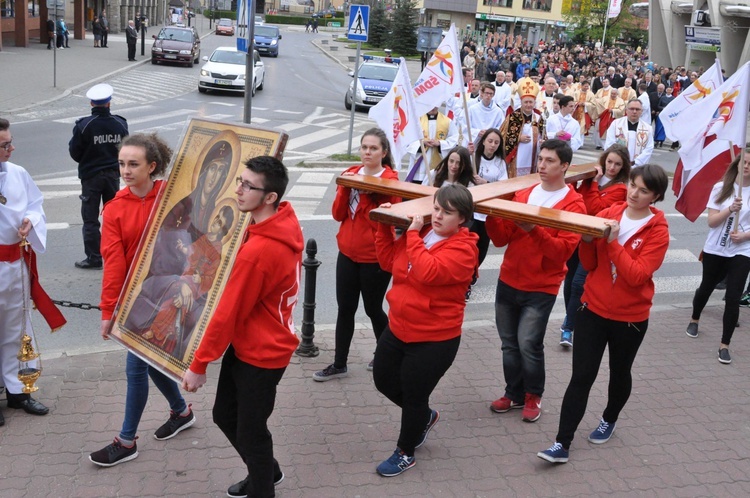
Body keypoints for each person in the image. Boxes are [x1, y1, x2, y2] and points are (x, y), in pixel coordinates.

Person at [182, 156, 303, 498]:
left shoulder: (260, 251)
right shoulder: (281, 222)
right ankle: (266, 469)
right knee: (224, 415)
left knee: (251, 432)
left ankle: (263, 486)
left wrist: (199, 364)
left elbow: (227, 313)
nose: (238, 189)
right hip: (250, 342)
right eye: (240, 180)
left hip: (263, 352)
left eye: (248, 186)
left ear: (269, 198)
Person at [538, 164, 669, 464]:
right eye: (633, 185)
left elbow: (637, 276)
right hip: (592, 310)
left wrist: (612, 243)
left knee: (619, 373)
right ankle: (562, 443)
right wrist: (586, 241)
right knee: (581, 376)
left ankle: (610, 418)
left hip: (630, 319)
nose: (634, 193)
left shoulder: (658, 230)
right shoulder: (608, 214)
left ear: (656, 196)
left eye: (644, 190)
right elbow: (590, 264)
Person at [89, 133, 195, 467]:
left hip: (175, 293)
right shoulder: (115, 209)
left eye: (133, 164)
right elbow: (113, 263)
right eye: (122, 163)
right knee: (146, 361)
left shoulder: (173, 197)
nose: (125, 170)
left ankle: (126, 440)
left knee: (137, 365)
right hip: (139, 300)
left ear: (152, 166)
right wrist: (109, 311)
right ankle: (181, 411)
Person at [372, 185, 479, 477]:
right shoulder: (421, 236)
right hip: (399, 327)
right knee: (382, 380)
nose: (439, 215)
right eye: (436, 209)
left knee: (413, 394)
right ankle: (423, 417)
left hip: (435, 338)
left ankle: (405, 452)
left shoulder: (465, 249)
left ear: (463, 219)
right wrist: (383, 227)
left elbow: (427, 271)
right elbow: (387, 263)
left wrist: (410, 235)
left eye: (447, 212)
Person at [486, 139, 585, 423]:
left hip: (541, 286)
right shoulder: (524, 192)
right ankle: (513, 393)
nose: (541, 165)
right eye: (540, 159)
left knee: (528, 342)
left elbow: (561, 253)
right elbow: (501, 238)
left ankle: (533, 395)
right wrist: (491, 214)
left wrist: (533, 229)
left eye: (549, 161)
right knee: (509, 343)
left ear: (564, 166)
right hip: (509, 279)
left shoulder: (573, 205)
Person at [313, 129, 399, 381]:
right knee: (345, 309)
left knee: (373, 309)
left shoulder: (391, 181)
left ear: (383, 153)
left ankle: (386, 355)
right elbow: (338, 215)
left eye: (373, 148)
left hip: (375, 258)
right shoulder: (351, 174)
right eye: (364, 147)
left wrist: (366, 198)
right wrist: (346, 188)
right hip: (347, 254)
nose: (367, 152)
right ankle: (339, 363)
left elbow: (384, 225)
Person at [0, 118, 65, 426]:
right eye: (5, 145)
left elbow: (35, 204)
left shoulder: (18, 173)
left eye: (10, 141)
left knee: (17, 329)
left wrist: (30, 221)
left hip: (16, 266)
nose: (12, 148)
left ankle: (18, 391)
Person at [560, 144, 631, 347]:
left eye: (617, 164)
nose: (612, 167)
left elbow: (595, 208)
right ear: (604, 160)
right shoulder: (591, 176)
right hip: (576, 233)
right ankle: (570, 318)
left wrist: (593, 184)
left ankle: (568, 328)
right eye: (609, 162)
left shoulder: (620, 189)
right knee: (569, 280)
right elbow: (577, 200)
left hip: (593, 241)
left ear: (623, 167)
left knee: (578, 284)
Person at [686, 148, 750, 365]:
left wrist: (744, 236)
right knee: (707, 286)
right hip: (716, 248)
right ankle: (695, 318)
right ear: (738, 164)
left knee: (733, 297)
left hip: (742, 249)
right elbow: (712, 222)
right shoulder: (721, 188)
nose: (747, 166)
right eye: (745, 162)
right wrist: (731, 208)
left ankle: (725, 344)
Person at [69, 83, 129, 269]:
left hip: (91, 177)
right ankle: (119, 256)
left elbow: (74, 152)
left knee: (90, 219)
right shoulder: (120, 123)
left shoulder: (84, 126)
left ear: (91, 104)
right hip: (112, 176)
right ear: (109, 103)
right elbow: (125, 149)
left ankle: (94, 258)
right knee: (115, 218)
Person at [500, 77, 544, 177]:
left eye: (530, 102)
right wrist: (517, 138)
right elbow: (502, 136)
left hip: (534, 158)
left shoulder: (539, 118)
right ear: (521, 102)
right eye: (526, 102)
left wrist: (543, 142)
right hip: (517, 158)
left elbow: (544, 136)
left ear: (534, 102)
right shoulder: (512, 117)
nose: (528, 105)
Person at [405, 108, 458, 185]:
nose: (433, 108)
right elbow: (408, 139)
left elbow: (454, 140)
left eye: (435, 105)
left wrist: (440, 143)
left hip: (437, 167)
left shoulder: (447, 122)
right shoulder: (416, 121)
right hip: (419, 169)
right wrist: (422, 143)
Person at [605, 99, 654, 167]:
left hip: (638, 167)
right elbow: (609, 144)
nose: (634, 111)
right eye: (631, 109)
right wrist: (620, 162)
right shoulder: (616, 124)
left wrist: (636, 163)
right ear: (626, 110)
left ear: (641, 111)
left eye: (637, 109)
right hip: (619, 166)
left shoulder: (648, 128)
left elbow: (649, 148)